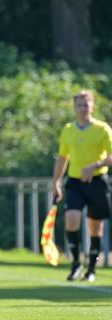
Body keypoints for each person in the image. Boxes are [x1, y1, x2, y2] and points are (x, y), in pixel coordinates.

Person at [53, 90, 112, 282]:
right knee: (72, 219)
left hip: (96, 182)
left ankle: (92, 268)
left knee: (95, 228)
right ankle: (76, 264)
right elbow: (63, 157)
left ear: (92, 107)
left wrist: (95, 166)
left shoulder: (102, 129)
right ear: (74, 107)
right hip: (75, 182)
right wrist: (56, 182)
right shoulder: (68, 129)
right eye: (79, 105)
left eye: (86, 105)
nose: (82, 108)